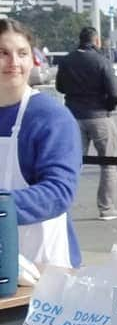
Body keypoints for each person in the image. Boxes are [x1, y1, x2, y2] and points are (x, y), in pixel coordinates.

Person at [0, 18, 83, 268]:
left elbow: (58, 192)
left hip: (43, 265)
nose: (14, 62)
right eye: (3, 53)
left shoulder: (50, 117)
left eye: (22, 53)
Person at [54, 25, 117, 221]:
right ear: (96, 41)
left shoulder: (67, 60)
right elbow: (114, 92)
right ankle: (107, 208)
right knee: (109, 163)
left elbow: (60, 87)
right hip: (99, 115)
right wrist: (108, 108)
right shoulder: (102, 61)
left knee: (73, 163)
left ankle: (62, 206)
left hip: (74, 115)